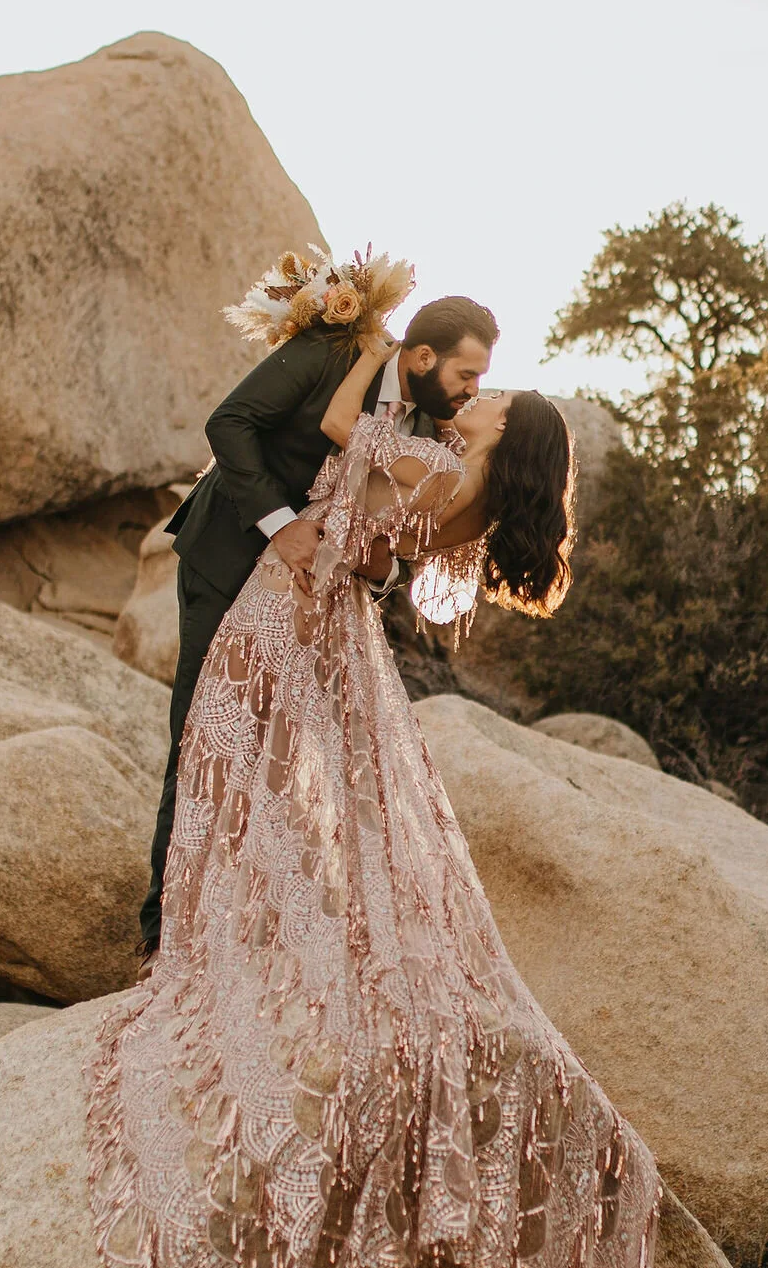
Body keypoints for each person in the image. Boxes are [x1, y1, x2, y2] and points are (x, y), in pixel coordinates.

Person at [89, 323, 662, 1268]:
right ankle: (240, 929)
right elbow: (384, 547)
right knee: (304, 791)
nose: (480, 398)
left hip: (284, 608)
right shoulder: (469, 490)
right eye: (478, 382)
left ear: (509, 435)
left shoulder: (440, 462)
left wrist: (364, 347)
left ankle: (204, 938)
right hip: (332, 623)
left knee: (230, 769)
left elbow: (348, 431)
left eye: (495, 399)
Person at [138, 292, 499, 953]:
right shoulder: (333, 353)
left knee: (280, 763)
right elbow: (230, 424)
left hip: (313, 608)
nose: (473, 389)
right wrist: (281, 527)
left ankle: (240, 924)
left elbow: (400, 537)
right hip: (228, 559)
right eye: (465, 374)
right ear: (422, 356)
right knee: (202, 743)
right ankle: (161, 935)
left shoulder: (433, 430)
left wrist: (377, 573)